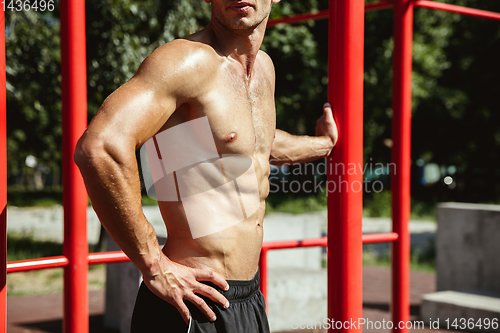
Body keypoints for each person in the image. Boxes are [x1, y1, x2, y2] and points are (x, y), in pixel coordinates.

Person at [74, 0, 338, 332]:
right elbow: (100, 148)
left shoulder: (264, 69)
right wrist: (154, 266)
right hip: (192, 302)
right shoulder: (188, 61)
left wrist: (323, 145)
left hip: (248, 298)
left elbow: (258, 143)